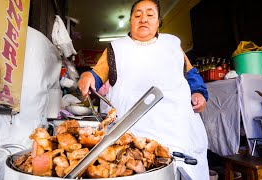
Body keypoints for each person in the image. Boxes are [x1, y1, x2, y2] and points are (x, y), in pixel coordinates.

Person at [78, 0, 209, 179]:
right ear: (131, 21)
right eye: (137, 15)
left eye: (150, 15)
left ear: (158, 21)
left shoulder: (172, 44)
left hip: (179, 131)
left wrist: (199, 92)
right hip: (134, 136)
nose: (143, 19)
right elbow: (97, 75)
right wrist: (88, 76)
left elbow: (191, 74)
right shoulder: (116, 49)